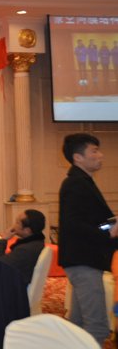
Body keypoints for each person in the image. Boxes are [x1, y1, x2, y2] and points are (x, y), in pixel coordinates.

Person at [59, 133, 116, 345]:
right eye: (94, 151)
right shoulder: (76, 184)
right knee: (97, 326)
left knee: (78, 322)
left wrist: (110, 225)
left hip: (83, 260)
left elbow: (90, 221)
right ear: (78, 157)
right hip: (83, 260)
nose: (100, 155)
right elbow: (73, 225)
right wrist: (109, 232)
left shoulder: (82, 181)